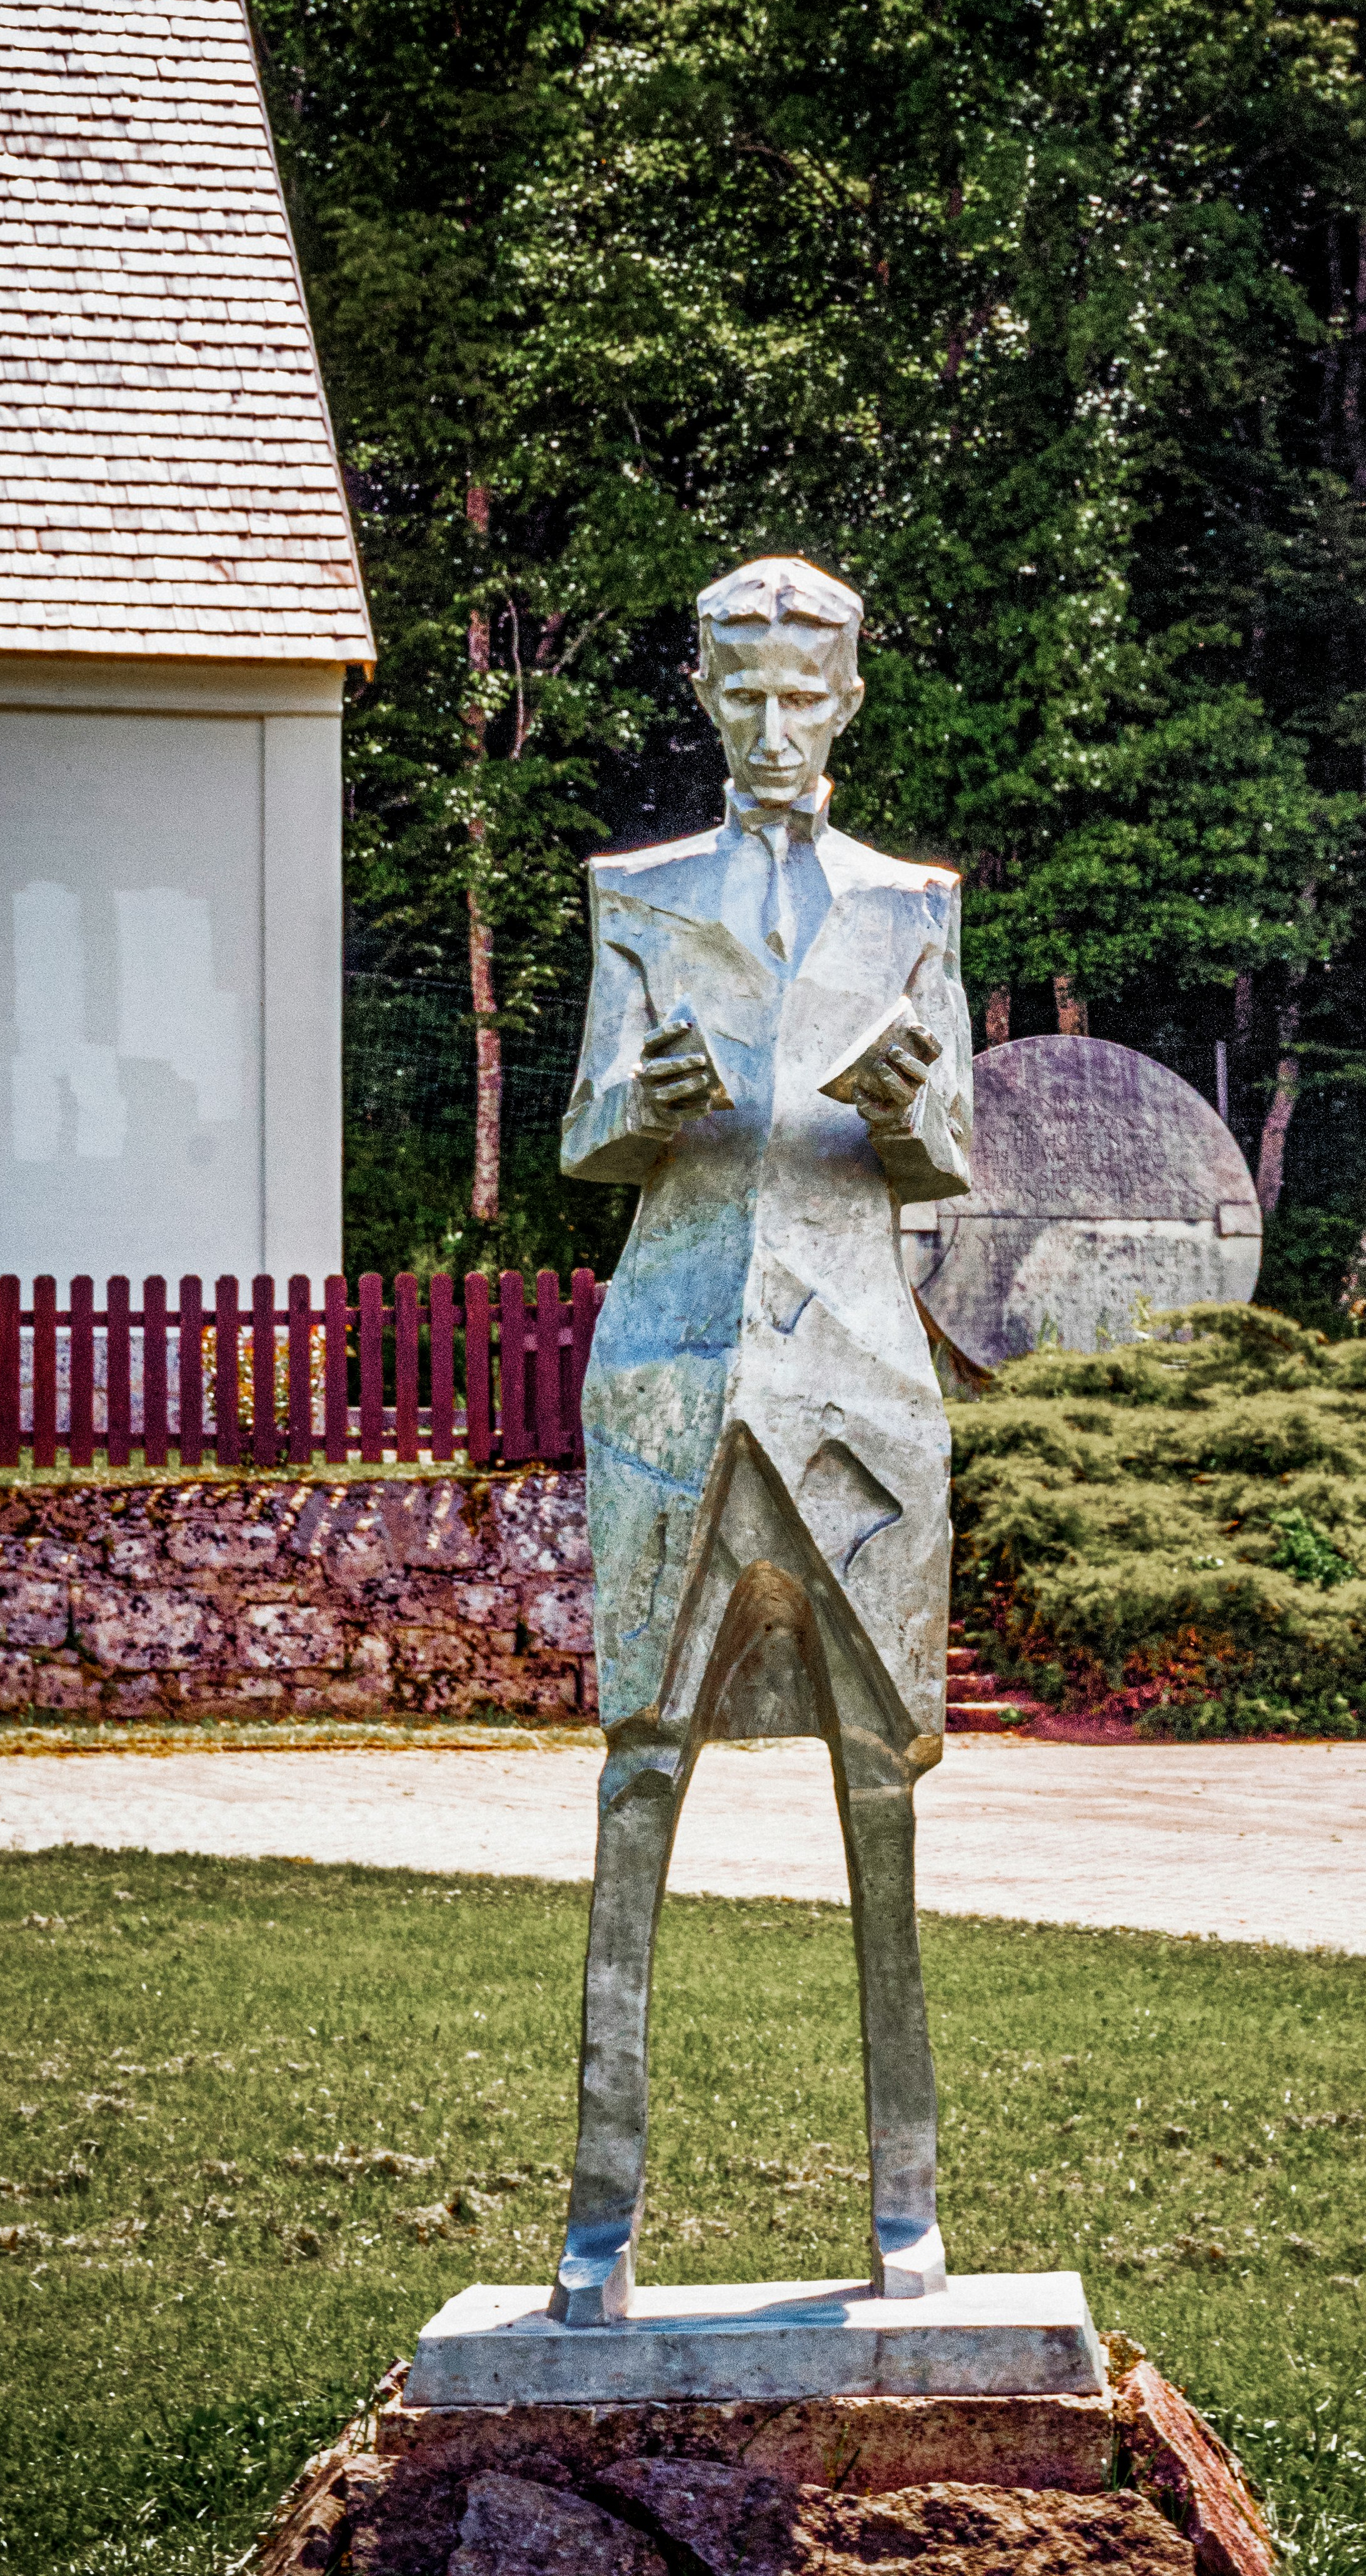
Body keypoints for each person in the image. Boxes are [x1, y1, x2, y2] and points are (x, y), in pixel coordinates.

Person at [550, 554, 972, 2325]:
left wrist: (912, 1103)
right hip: (667, 1376)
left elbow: (948, 1156)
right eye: (747, 697)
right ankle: (596, 2224)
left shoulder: (912, 907)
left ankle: (908, 2204)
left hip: (858, 1386)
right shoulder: (638, 894)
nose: (777, 726)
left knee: (882, 1792)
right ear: (709, 702)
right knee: (640, 1780)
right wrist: (634, 1109)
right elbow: (583, 1126)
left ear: (849, 701)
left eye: (806, 695)